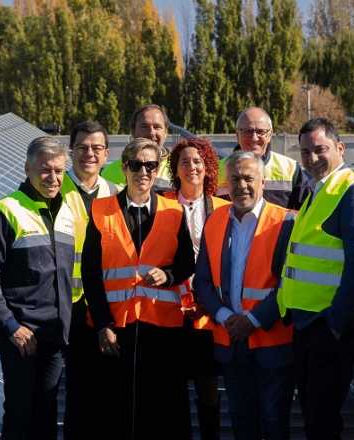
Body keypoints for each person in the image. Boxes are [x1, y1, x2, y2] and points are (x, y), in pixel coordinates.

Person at [82, 137, 196, 440]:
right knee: (117, 409)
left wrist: (169, 276)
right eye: (136, 165)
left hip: (162, 328)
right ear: (124, 168)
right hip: (117, 328)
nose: (143, 172)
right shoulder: (101, 210)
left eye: (150, 165)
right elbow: (91, 275)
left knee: (163, 408)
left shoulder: (174, 210)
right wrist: (103, 323)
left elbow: (187, 263)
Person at [277, 118, 354, 440]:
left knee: (322, 419)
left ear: (340, 148)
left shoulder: (353, 191)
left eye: (320, 149)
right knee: (313, 415)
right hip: (309, 322)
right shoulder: (317, 191)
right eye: (305, 152)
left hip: (331, 325)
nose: (312, 158)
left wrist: (336, 323)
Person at [0, 136, 77, 440]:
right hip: (22, 337)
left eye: (59, 171)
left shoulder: (66, 214)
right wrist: (11, 326)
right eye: (45, 170)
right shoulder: (5, 212)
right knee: (20, 414)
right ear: (27, 168)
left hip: (55, 336)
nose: (53, 178)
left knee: (46, 414)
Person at [194, 151, 295, 440]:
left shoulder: (286, 223)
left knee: (275, 423)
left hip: (272, 342)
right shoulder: (214, 222)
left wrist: (253, 319)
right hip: (232, 341)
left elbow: (291, 284)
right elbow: (202, 281)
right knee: (242, 424)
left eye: (249, 178)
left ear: (263, 182)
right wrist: (226, 317)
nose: (242, 186)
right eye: (235, 179)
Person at [162, 137, 228, 440]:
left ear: (208, 167)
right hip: (168, 310)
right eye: (185, 161)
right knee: (173, 391)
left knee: (207, 389)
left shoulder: (223, 209)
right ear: (175, 168)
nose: (192, 167)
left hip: (208, 313)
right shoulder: (160, 205)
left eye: (198, 161)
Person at [61, 121, 119, 439]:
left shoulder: (114, 193)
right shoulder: (57, 191)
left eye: (96, 148)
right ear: (71, 151)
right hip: (67, 309)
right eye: (82, 147)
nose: (89, 154)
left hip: (105, 309)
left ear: (106, 154)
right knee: (76, 395)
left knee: (106, 392)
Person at [217, 107, 306, 209]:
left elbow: (305, 213)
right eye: (247, 131)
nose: (254, 138)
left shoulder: (290, 169)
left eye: (260, 131)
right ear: (237, 134)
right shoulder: (217, 171)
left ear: (270, 134)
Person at [100, 104, 175, 192]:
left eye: (157, 127)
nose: (151, 132)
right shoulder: (110, 172)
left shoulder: (178, 169)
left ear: (166, 132)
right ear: (133, 132)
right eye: (145, 126)